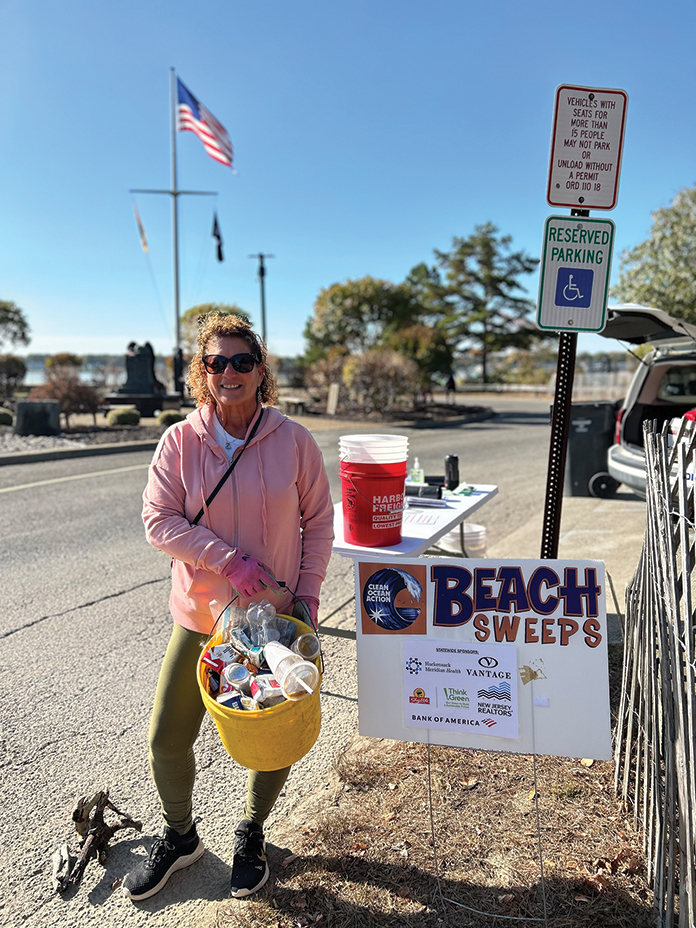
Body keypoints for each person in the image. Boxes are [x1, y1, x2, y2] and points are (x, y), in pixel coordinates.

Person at [123, 314, 334, 902]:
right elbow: (157, 521)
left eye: (243, 361)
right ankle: (181, 836)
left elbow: (318, 522)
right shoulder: (180, 442)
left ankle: (252, 832)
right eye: (217, 362)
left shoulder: (293, 440)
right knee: (167, 736)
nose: (230, 372)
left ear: (261, 371)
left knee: (274, 738)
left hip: (276, 619)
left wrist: (309, 595)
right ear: (203, 371)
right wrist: (230, 562)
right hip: (202, 618)